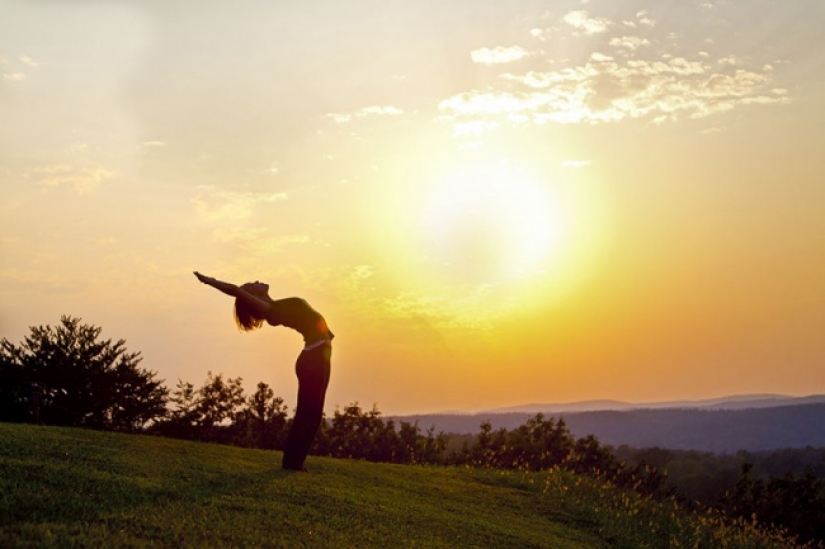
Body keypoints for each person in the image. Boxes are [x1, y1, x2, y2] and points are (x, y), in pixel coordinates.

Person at [193, 271, 333, 471]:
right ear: (253, 297)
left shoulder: (277, 305)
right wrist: (210, 281)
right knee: (306, 415)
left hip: (320, 355)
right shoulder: (272, 311)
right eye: (252, 285)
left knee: (314, 415)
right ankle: (291, 464)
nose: (257, 281)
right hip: (313, 359)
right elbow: (234, 290)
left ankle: (296, 463)